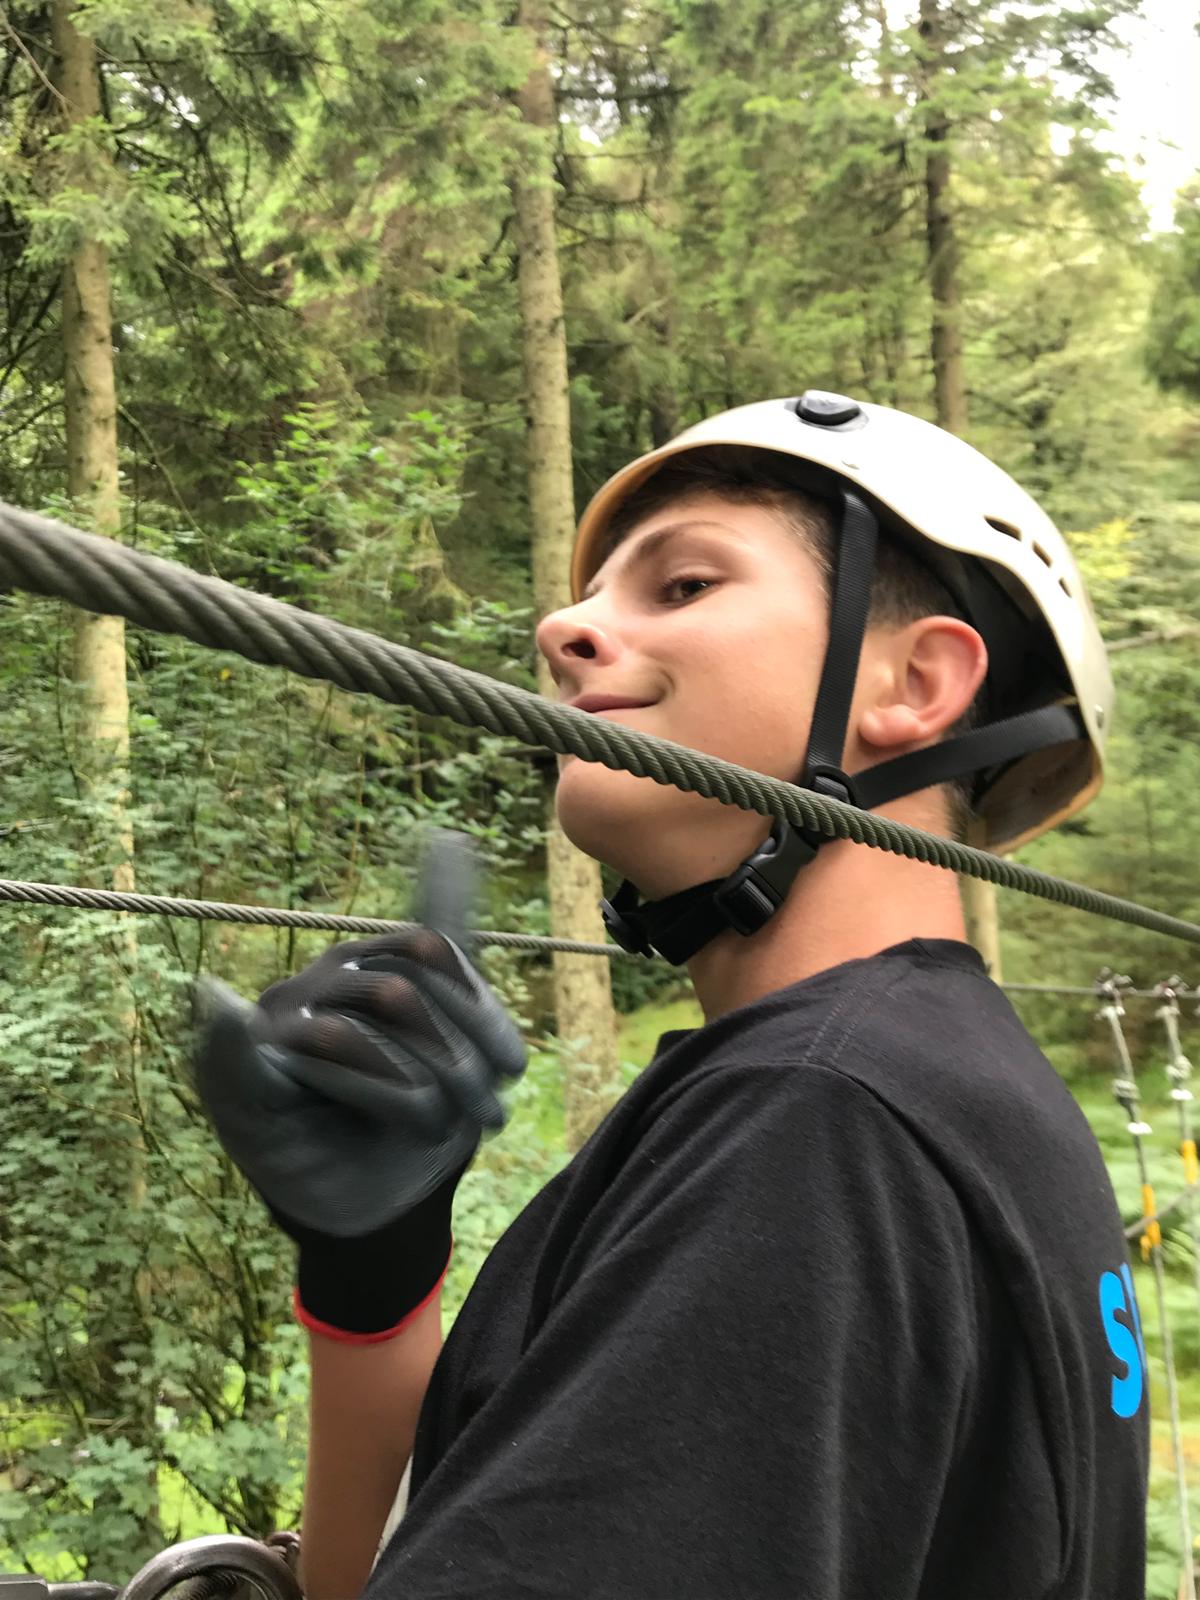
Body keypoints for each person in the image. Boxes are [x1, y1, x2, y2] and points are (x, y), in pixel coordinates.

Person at [195, 391, 1149, 1600]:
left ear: (916, 682)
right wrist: (373, 1288)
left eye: (684, 583)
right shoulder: (942, 1087)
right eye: (592, 596)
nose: (560, 628)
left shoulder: (818, 1121)